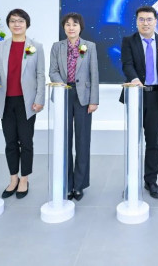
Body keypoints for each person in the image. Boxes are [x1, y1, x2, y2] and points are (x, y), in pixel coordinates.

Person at [119, 6, 158, 199]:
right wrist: (135, 80)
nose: (145, 23)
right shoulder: (129, 41)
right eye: (141, 19)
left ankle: (151, 180)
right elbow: (127, 64)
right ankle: (131, 181)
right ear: (136, 21)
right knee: (133, 141)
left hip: (157, 97)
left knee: (153, 141)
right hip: (135, 94)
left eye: (149, 19)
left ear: (156, 21)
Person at [0, 9, 45, 199]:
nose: (17, 24)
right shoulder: (0, 46)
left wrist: (39, 99)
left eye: (20, 21)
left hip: (27, 101)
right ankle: (13, 178)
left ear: (27, 24)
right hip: (5, 100)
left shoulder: (36, 46)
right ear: (8, 24)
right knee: (10, 142)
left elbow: (40, 74)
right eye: (13, 21)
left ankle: (24, 179)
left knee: (26, 142)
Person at [49, 12, 99, 201]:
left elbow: (94, 74)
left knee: (82, 141)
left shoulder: (89, 46)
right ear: (64, 27)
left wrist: (94, 100)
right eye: (68, 24)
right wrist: (62, 85)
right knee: (64, 141)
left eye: (75, 24)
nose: (71, 27)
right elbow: (53, 71)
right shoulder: (57, 46)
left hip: (83, 98)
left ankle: (79, 185)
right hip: (63, 94)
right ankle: (67, 183)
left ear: (80, 27)